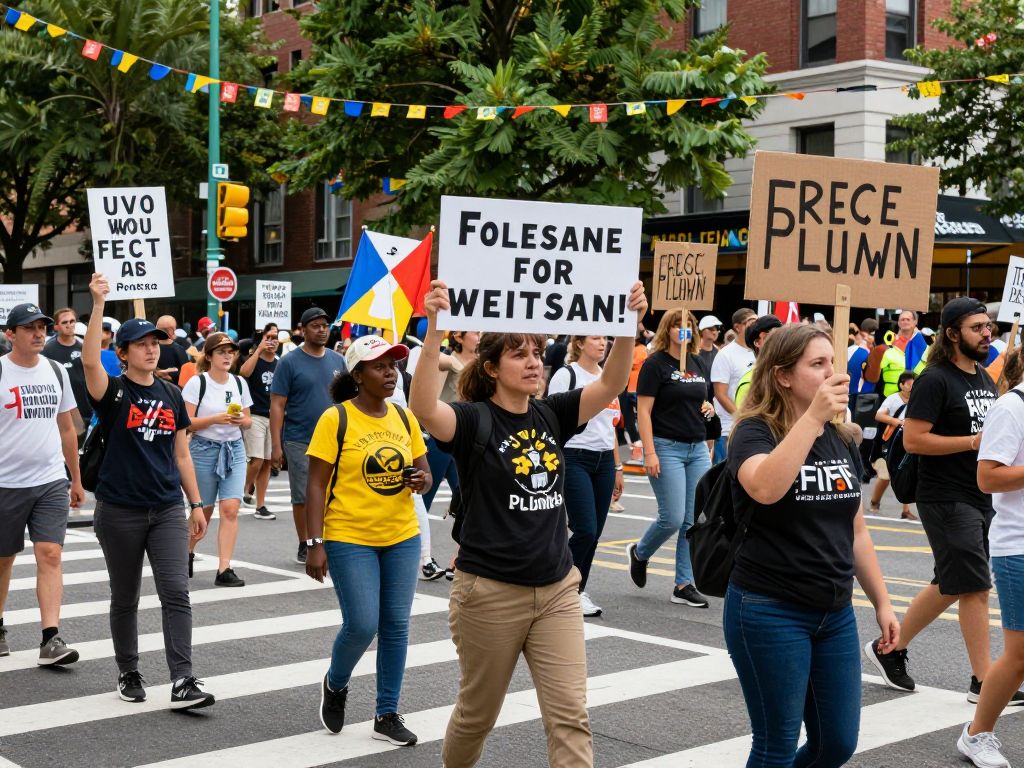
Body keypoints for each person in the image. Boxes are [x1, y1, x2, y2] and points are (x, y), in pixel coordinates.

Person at [409, 278, 648, 768]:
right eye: (520, 354)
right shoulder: (473, 420)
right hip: (489, 593)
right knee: (477, 716)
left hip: (558, 588)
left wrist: (627, 325)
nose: (534, 361)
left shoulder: (552, 413)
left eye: (537, 351)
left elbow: (611, 385)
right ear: (492, 368)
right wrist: (435, 329)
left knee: (570, 717)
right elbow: (423, 408)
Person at [726, 323, 899, 767]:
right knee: (776, 744)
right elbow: (765, 488)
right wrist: (812, 419)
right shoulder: (753, 432)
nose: (830, 374)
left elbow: (856, 530)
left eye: (831, 364)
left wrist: (882, 602)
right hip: (769, 607)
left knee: (836, 743)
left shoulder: (841, 438)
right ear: (783, 375)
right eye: (816, 365)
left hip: (835, 612)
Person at [865, 298, 1024, 707]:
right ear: (952, 333)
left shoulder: (984, 381)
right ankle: (984, 680)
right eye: (977, 327)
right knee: (974, 583)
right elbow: (915, 439)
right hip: (945, 495)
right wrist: (973, 442)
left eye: (988, 326)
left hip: (980, 495)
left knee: (950, 582)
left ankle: (888, 648)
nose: (987, 333)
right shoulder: (935, 379)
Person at [82, 273, 214, 709]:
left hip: (166, 508)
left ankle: (183, 679)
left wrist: (195, 503)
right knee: (126, 595)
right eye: (141, 343)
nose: (152, 347)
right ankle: (129, 670)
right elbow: (88, 364)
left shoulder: (172, 394)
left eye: (155, 342)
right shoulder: (113, 390)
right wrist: (99, 303)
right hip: (119, 510)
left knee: (176, 591)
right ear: (122, 353)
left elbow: (181, 455)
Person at [304, 335, 430, 746]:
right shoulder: (336, 419)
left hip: (401, 535)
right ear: (358, 375)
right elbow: (316, 484)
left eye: (393, 365)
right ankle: (336, 683)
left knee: (395, 626)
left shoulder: (405, 418)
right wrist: (315, 542)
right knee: (362, 623)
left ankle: (387, 713)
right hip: (348, 535)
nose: (390, 372)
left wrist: (419, 478)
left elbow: (424, 473)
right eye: (380, 366)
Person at [0, 303, 85, 664]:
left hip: (50, 479)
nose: (38, 333)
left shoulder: (54, 370)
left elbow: (67, 428)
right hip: (5, 482)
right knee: (3, 558)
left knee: (49, 553)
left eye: (42, 327)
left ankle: (50, 638)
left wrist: (75, 478)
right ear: (10, 334)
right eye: (29, 328)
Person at [952, 347, 1024, 766]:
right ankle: (977, 734)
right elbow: (988, 476)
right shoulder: (1012, 407)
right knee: (1019, 655)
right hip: (1018, 545)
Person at [627, 308, 715, 607]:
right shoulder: (655, 364)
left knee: (693, 521)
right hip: (667, 447)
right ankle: (640, 552)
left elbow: (702, 399)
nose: (683, 329)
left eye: (688, 324)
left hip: (697, 447)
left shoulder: (697, 362)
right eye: (677, 325)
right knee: (673, 517)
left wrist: (708, 410)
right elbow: (644, 412)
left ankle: (683, 584)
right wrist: (649, 452)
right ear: (668, 329)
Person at [548, 335, 622, 618]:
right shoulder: (566, 375)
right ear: (579, 344)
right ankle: (566, 588)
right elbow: (551, 419)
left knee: (595, 534)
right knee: (585, 529)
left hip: (603, 459)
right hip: (574, 456)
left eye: (605, 339)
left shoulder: (607, 377)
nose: (602, 343)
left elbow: (611, 427)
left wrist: (617, 467)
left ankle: (577, 588)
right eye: (595, 338)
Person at [270, 308, 347, 564]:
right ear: (302, 330)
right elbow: (278, 405)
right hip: (299, 438)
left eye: (325, 325)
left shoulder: (338, 360)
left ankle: (328, 539)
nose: (322, 329)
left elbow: (348, 400)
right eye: (315, 325)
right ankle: (305, 543)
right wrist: (276, 446)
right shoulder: (288, 362)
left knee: (333, 493)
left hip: (336, 439)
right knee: (303, 495)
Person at [182, 332, 253, 587]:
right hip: (203, 450)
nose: (227, 356)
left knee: (230, 509)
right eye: (221, 351)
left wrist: (238, 420)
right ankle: (186, 552)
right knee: (204, 510)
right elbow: (186, 422)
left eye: (230, 351)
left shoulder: (239, 383)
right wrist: (214, 419)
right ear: (209, 356)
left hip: (233, 449)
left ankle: (224, 569)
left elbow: (248, 420)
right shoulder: (197, 383)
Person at [240, 323, 279, 520]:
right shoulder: (254, 360)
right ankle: (246, 487)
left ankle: (260, 505)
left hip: (273, 418)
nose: (272, 342)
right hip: (254, 414)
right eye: (269, 337)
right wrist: (258, 350)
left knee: (267, 462)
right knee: (256, 459)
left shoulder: (280, 363)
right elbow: (244, 372)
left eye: (275, 337)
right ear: (262, 338)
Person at [868, 371, 917, 520]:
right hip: (887, 443)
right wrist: (898, 422)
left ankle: (906, 510)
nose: (912, 387)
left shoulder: (917, 400)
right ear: (901, 385)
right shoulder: (893, 398)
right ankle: (874, 503)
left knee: (906, 472)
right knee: (884, 476)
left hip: (905, 442)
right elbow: (878, 415)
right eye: (909, 384)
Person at [711, 307, 757, 448]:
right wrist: (741, 416)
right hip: (730, 429)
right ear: (737, 327)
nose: (756, 325)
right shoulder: (725, 355)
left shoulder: (760, 351)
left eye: (757, 321)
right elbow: (720, 394)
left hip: (755, 427)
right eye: (751, 321)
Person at [42, 307, 92, 433]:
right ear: (56, 326)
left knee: (82, 449)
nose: (69, 325)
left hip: (83, 408)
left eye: (72, 321)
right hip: (59, 410)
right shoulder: (47, 350)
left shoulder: (84, 347)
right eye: (64, 322)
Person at [733, 315, 783, 408]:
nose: (777, 340)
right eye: (770, 336)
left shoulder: (788, 375)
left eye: (780, 335)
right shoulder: (749, 383)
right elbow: (746, 421)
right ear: (757, 342)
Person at [878, 310, 927, 396]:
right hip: (891, 396)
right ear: (898, 323)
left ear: (915, 322)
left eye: (908, 319)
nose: (905, 321)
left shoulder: (923, 344)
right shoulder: (889, 344)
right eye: (902, 319)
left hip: (918, 393)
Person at [697, 315, 725, 460]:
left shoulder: (720, 353)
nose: (715, 332)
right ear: (702, 331)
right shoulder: (693, 352)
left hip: (714, 404)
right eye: (711, 329)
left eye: (717, 329)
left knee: (713, 446)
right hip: (697, 403)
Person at [154, 315, 190, 387]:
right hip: (174, 391)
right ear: (173, 331)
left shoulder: (148, 349)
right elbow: (186, 374)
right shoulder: (179, 349)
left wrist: (157, 373)